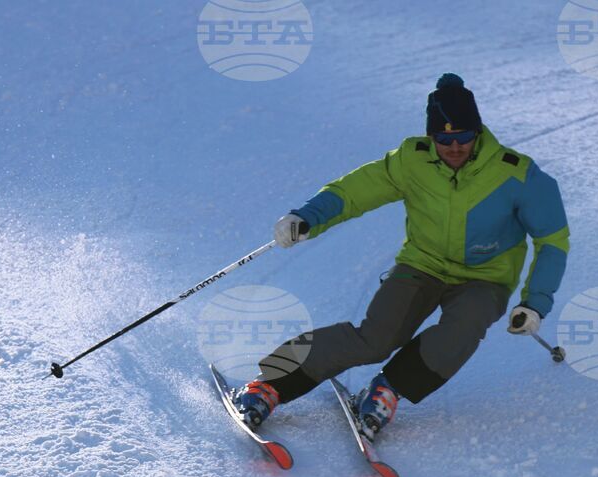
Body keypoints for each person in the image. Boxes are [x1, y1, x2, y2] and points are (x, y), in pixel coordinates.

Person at [233, 73, 570, 439]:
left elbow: (553, 240)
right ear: (431, 136)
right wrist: (308, 216)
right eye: (444, 139)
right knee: (376, 338)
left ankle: (387, 389)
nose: (454, 147)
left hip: (485, 278)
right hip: (421, 265)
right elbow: (356, 191)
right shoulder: (412, 161)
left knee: (464, 327)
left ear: (478, 131)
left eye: (463, 138)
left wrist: (534, 303)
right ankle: (269, 384)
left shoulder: (517, 175)